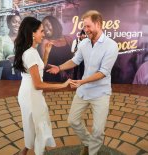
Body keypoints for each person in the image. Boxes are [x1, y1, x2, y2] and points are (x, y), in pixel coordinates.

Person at [47, 10, 118, 155]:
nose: (85, 30)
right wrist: (59, 67)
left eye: (88, 26)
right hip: (84, 91)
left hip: (101, 93)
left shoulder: (111, 46)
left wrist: (81, 81)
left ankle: (91, 152)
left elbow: (103, 72)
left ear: (98, 24)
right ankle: (87, 142)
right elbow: (75, 60)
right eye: (84, 27)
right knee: (73, 120)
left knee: (98, 130)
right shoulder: (84, 43)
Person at [13, 16, 70, 155]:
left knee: (34, 125)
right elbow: (38, 84)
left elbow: (40, 68)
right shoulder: (30, 53)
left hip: (29, 93)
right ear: (33, 33)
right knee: (38, 127)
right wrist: (63, 86)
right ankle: (36, 151)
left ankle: (26, 150)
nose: (44, 34)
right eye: (41, 31)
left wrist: (46, 53)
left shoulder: (30, 51)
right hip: (31, 94)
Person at [39, 15, 73, 82]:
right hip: (52, 79)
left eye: (47, 25)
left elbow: (75, 58)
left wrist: (70, 71)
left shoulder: (68, 39)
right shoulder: (45, 42)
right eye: (43, 27)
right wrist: (59, 69)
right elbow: (43, 64)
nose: (45, 29)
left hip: (69, 77)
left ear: (55, 25)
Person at [0, 11, 22, 80]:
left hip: (22, 74)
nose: (17, 25)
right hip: (7, 75)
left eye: (19, 22)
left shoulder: (24, 39)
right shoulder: (2, 39)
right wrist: (8, 60)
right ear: (8, 23)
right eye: (14, 22)